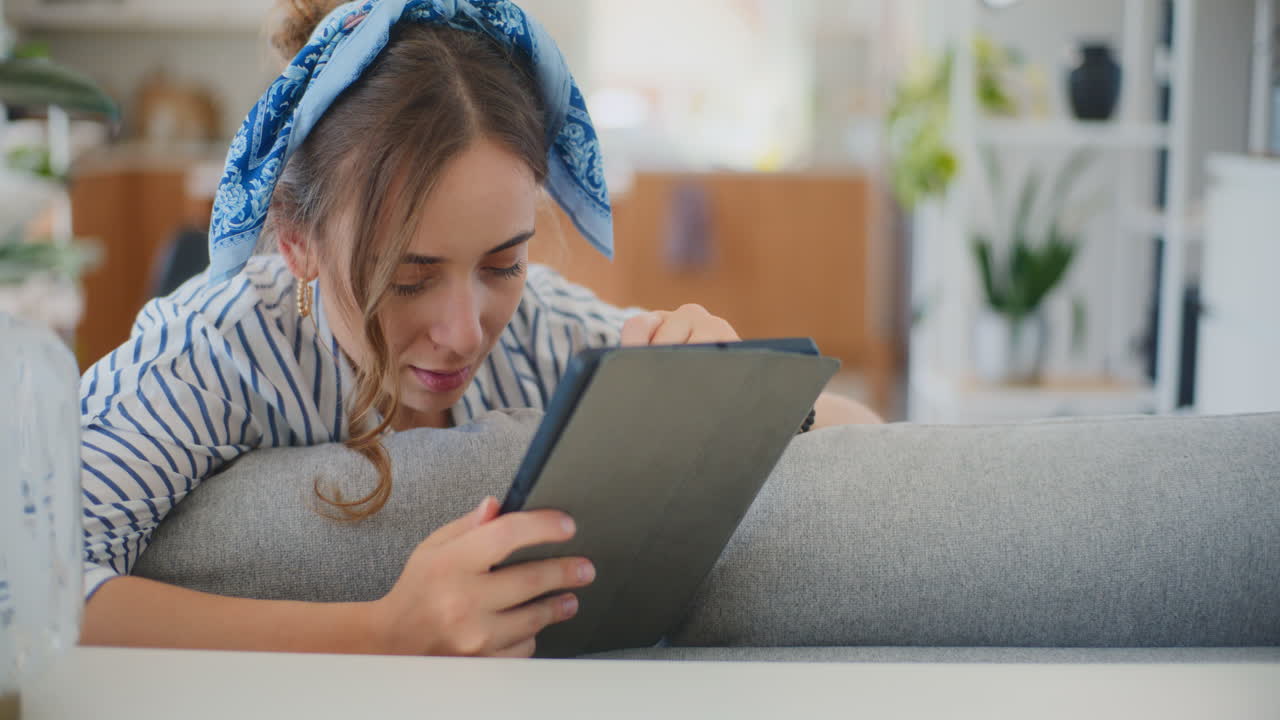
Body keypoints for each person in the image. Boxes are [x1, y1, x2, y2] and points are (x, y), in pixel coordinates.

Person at [78, 0, 881, 659]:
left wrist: (737, 383)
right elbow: (26, 581)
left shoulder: (545, 331)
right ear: (295, 238)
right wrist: (380, 633)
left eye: (502, 264)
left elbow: (867, 434)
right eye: (409, 277)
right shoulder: (210, 351)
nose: (465, 332)